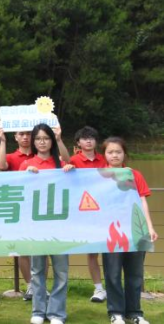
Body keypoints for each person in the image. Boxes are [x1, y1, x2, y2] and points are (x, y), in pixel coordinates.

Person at [100, 137, 157, 324]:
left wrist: (149, 227)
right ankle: (115, 312)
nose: (114, 155)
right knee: (113, 273)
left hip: (135, 230)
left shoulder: (134, 175)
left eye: (118, 152)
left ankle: (135, 312)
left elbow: (142, 201)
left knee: (134, 274)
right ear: (104, 155)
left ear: (125, 154)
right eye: (110, 152)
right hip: (110, 233)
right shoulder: (98, 176)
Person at [23, 124, 74, 324]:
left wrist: (69, 170)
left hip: (60, 226)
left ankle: (57, 313)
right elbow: (20, 191)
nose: (42, 142)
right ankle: (38, 311)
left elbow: (73, 177)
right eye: (38, 139)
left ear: (52, 140)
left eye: (46, 138)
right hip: (37, 226)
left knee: (61, 271)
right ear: (33, 142)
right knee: (37, 270)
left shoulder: (60, 164)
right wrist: (26, 175)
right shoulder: (27, 164)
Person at [0, 125, 36, 300]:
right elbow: (1, 165)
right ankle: (30, 286)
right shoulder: (11, 156)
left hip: (38, 207)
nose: (25, 137)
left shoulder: (40, 156)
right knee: (22, 249)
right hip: (19, 207)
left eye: (28, 134)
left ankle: (40, 284)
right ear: (16, 137)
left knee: (40, 248)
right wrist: (2, 141)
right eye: (21, 134)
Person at [69, 126, 109, 303]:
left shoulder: (105, 159)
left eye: (91, 138)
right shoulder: (73, 160)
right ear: (78, 142)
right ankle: (99, 288)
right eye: (84, 138)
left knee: (111, 251)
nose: (88, 141)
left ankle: (113, 286)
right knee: (92, 252)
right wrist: (67, 168)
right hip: (86, 211)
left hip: (107, 209)